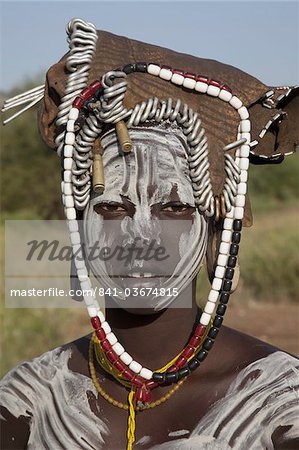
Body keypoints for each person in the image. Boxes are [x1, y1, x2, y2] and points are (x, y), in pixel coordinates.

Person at [1, 18, 298, 450]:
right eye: (113, 208)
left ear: (216, 228)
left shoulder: (278, 404)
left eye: (174, 208)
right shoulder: (30, 399)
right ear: (79, 226)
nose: (140, 236)